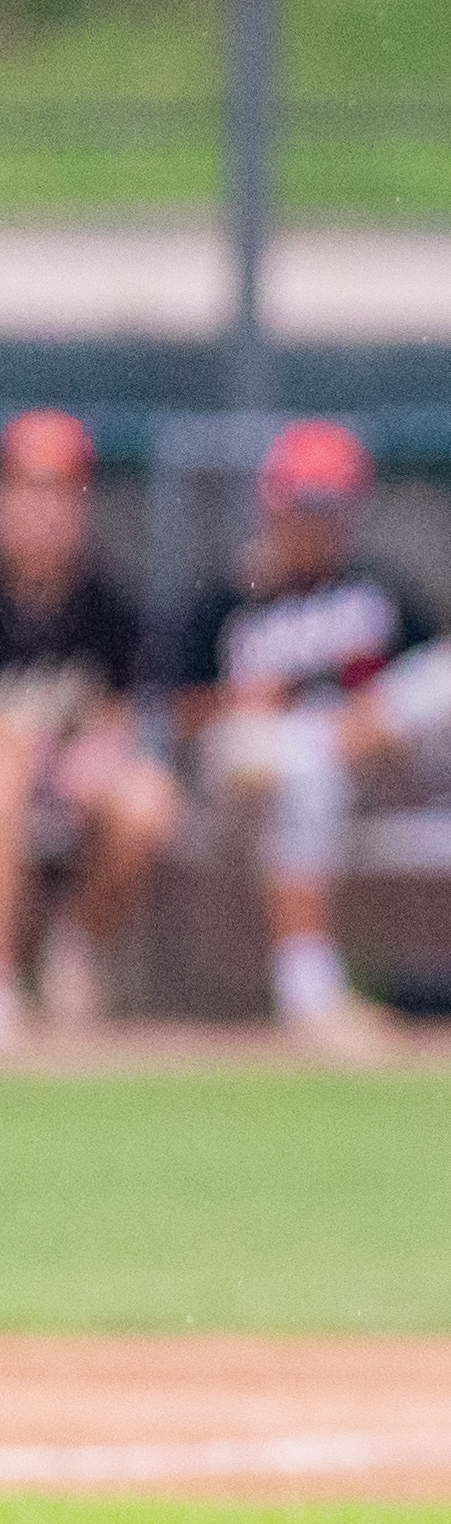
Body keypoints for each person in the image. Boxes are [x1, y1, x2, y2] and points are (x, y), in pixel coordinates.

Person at [175, 418, 451, 1060]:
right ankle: (309, 990)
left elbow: (439, 679)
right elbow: (177, 713)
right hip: (242, 778)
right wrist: (240, 702)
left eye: (332, 508)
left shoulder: (379, 591)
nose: (319, 523)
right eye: (307, 506)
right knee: (304, 761)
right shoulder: (228, 597)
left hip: (361, 769)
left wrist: (361, 724)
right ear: (274, 506)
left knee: (448, 679)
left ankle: (318, 986)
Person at [0, 409, 176, 1046]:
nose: (46, 510)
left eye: (63, 493)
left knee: (147, 798)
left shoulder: (111, 606)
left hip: (64, 793)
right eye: (29, 489)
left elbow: (132, 715)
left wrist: (98, 749)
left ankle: (72, 953)